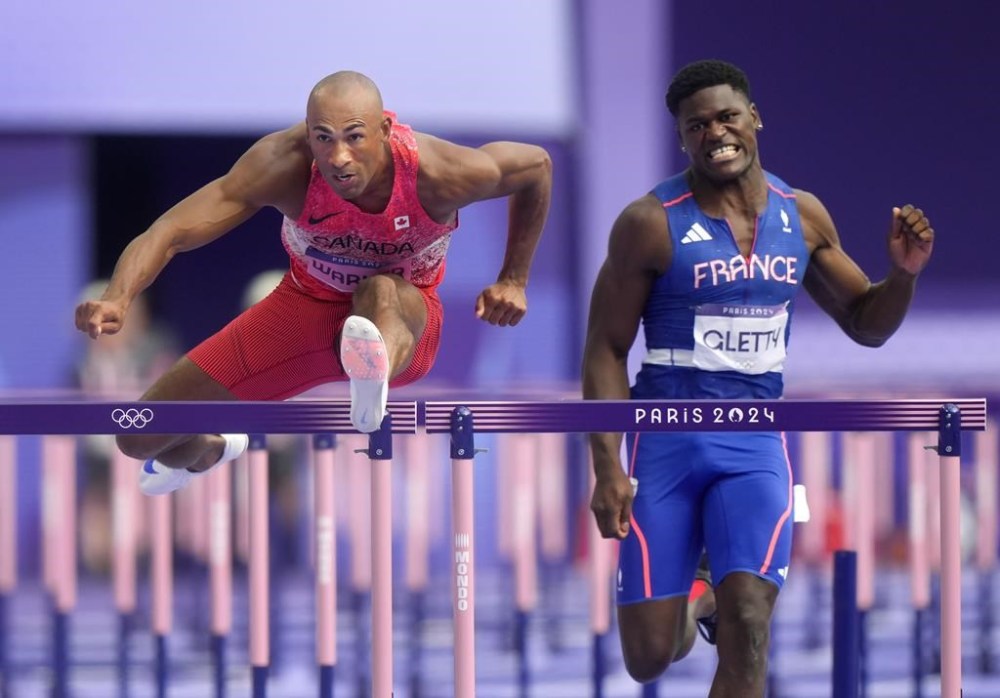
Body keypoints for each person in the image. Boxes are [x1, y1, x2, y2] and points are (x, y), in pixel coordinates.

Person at [582, 59, 933, 694]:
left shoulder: (802, 217)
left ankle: (725, 599)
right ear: (683, 138)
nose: (716, 134)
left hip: (754, 444)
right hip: (664, 444)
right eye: (697, 126)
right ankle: (698, 600)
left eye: (727, 117)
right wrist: (607, 467)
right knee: (649, 657)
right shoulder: (650, 223)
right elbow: (606, 348)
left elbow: (866, 323)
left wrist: (902, 275)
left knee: (751, 622)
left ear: (754, 119)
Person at [75, 70, 552, 496]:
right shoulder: (283, 163)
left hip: (403, 320)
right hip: (301, 310)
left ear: (385, 130)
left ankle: (372, 375)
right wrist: (118, 295)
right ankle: (212, 448)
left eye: (354, 137)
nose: (338, 156)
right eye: (323, 138)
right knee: (139, 435)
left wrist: (514, 277)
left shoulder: (440, 173)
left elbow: (535, 168)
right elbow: (172, 231)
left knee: (378, 290)